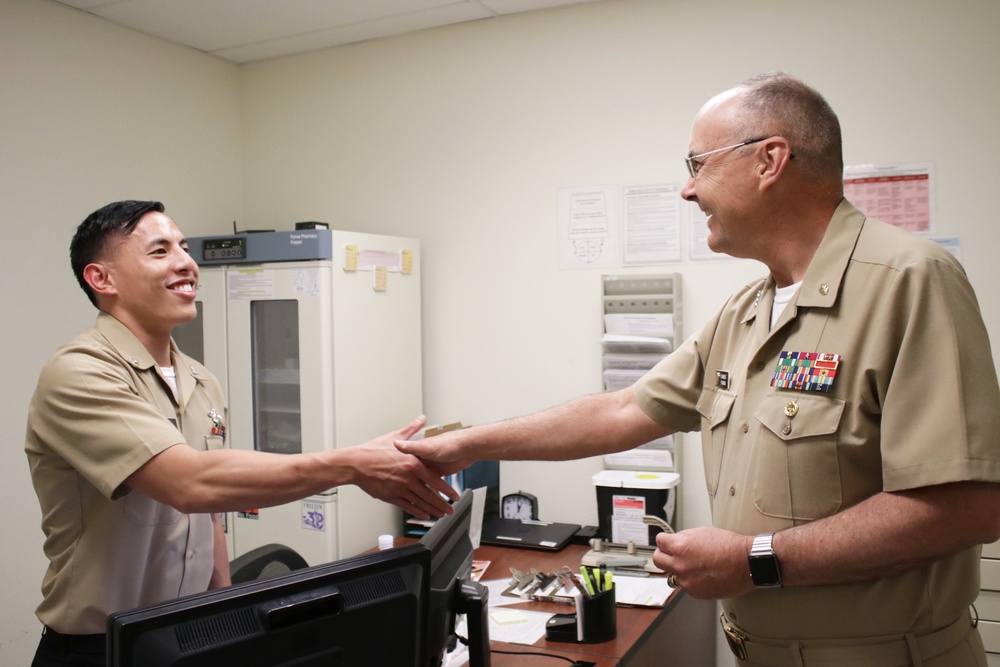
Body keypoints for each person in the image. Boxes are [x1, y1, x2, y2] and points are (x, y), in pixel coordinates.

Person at [397, 72, 1000, 666]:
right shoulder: (747, 311)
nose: (687, 192)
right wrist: (459, 448)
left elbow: (966, 506)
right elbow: (623, 410)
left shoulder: (908, 281)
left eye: (697, 165)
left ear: (769, 161)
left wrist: (755, 559)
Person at [24, 200, 457, 667]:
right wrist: (352, 465)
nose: (186, 263)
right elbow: (190, 483)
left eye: (185, 248)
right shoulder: (80, 372)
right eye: (160, 251)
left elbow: (210, 513)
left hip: (185, 637)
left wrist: (224, 617)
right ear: (102, 279)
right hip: (100, 650)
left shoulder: (199, 379)